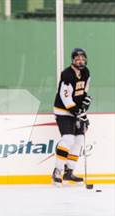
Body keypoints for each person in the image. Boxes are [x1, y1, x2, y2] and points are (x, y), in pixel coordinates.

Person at [52, 48, 92, 185]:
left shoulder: (86, 72)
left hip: (76, 111)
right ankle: (57, 171)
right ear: (73, 60)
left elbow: (84, 91)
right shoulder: (67, 75)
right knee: (68, 139)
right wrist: (79, 113)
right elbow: (66, 98)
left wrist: (85, 105)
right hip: (63, 111)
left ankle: (69, 172)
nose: (80, 61)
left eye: (82, 58)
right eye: (77, 59)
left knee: (79, 140)